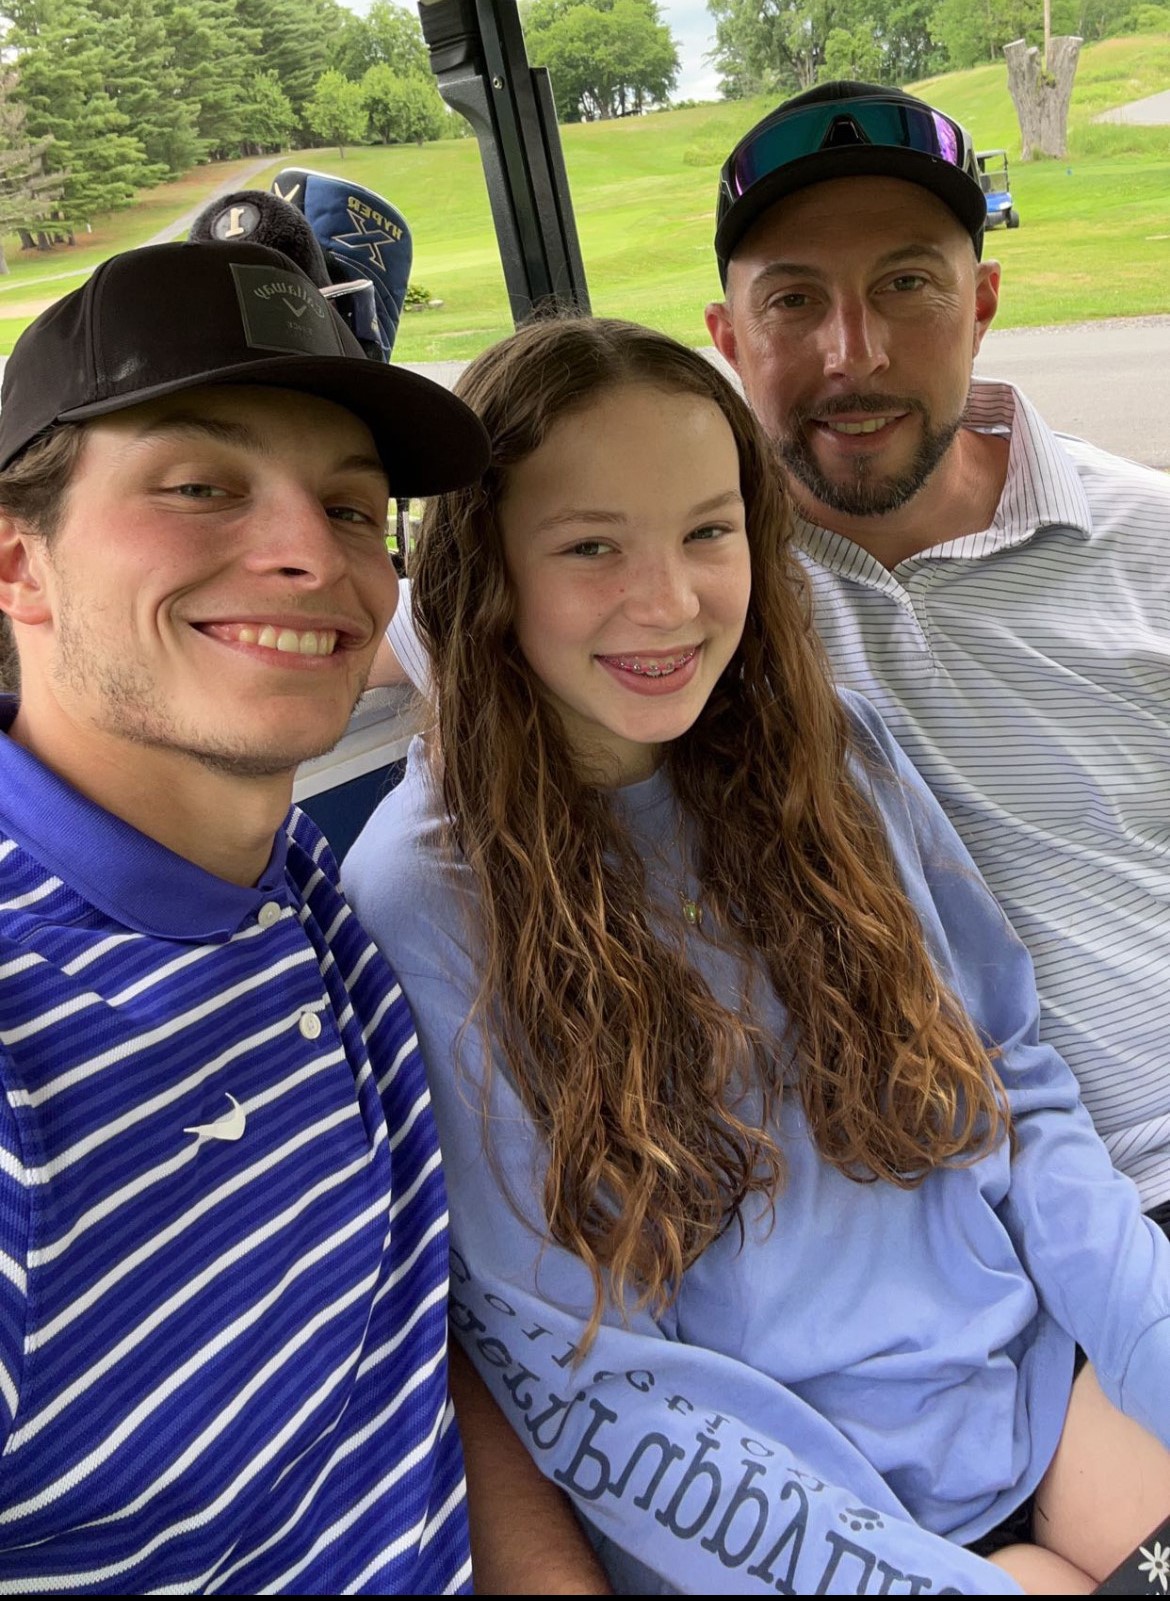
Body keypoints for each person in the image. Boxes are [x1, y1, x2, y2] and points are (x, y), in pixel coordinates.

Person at [345, 316, 1170, 1597]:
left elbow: (1014, 1077)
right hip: (766, 1519)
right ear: (487, 565)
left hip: (1025, 1384)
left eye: (707, 531)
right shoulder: (425, 895)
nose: (669, 599)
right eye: (590, 546)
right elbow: (585, 1370)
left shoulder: (827, 753)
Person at [376, 81, 1170, 1225]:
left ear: (983, 299)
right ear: (728, 336)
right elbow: (362, 633)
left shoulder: (1143, 534)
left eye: (908, 283)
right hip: (962, 1211)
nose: (857, 354)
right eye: (796, 301)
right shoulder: (678, 581)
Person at [0, 238, 608, 1593]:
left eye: (348, 509)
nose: (306, 556)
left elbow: (392, 1344)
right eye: (201, 487)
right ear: (19, 567)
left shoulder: (282, 882)